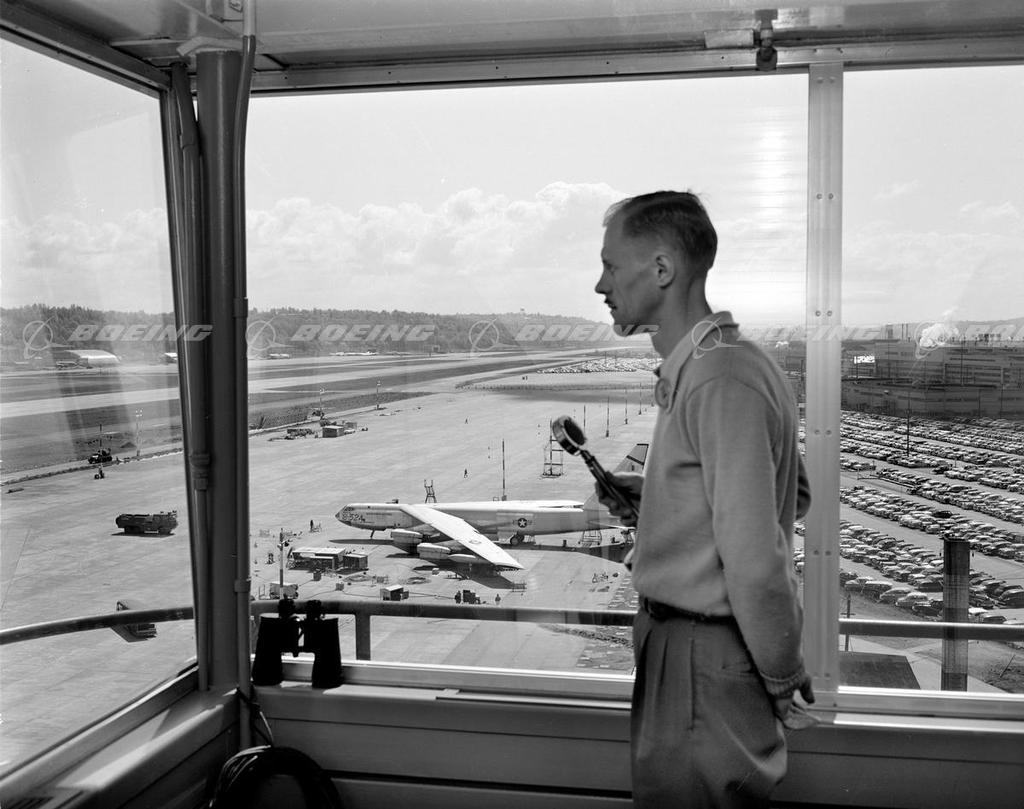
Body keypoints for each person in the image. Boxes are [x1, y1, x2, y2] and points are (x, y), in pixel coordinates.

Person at [593, 191, 813, 809]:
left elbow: (755, 559)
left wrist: (781, 674)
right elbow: (791, 495)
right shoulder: (735, 364)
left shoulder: (718, 378)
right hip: (701, 653)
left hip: (700, 655)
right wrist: (668, 503)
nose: (601, 285)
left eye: (610, 266)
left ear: (662, 270)